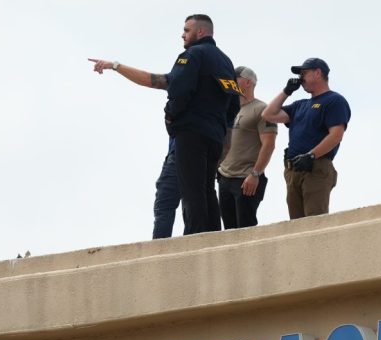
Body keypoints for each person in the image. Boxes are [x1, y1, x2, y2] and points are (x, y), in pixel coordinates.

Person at [91, 14, 239, 236]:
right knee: (207, 189)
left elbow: (177, 88)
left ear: (200, 32)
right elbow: (233, 106)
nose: (182, 34)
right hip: (215, 137)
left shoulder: (192, 55)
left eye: (186, 30)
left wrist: (171, 117)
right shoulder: (226, 62)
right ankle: (212, 238)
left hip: (191, 134)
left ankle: (194, 238)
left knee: (192, 191)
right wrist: (116, 66)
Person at [86, 61, 180, 239]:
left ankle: (160, 252)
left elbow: (149, 80)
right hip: (189, 152)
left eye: (187, 30)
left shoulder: (186, 80)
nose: (183, 35)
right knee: (191, 201)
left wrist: (114, 66)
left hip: (183, 153)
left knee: (171, 201)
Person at [261, 58, 351, 219]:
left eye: (304, 73)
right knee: (296, 224)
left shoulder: (334, 100)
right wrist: (286, 91)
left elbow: (336, 135)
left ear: (318, 73)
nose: (301, 79)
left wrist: (311, 155)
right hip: (293, 170)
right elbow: (268, 114)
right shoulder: (299, 105)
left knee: (314, 222)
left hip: (316, 168)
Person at [216, 66, 277, 229]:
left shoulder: (262, 109)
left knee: (246, 229)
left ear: (248, 82)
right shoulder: (228, 109)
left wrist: (255, 174)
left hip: (246, 179)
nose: (231, 81)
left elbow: (269, 144)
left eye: (235, 78)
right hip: (224, 176)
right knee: (228, 230)